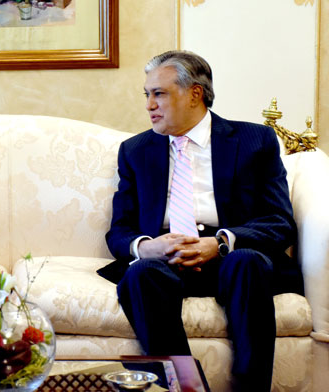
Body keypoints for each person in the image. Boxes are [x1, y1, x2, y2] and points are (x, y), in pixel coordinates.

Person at [98, 50, 303, 391]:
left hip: (230, 257)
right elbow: (120, 230)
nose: (149, 104)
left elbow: (280, 222)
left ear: (195, 93)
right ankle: (185, 387)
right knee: (140, 274)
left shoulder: (255, 141)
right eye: (147, 94)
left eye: (159, 93)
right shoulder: (135, 151)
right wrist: (145, 247)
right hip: (165, 260)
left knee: (248, 262)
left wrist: (221, 243)